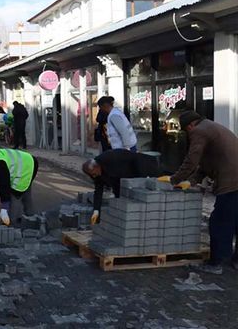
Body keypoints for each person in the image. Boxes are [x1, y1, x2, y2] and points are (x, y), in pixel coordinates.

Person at [159, 111, 238, 275]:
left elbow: (192, 160)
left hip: (231, 181)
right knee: (236, 220)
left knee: (220, 222)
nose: (188, 134)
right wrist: (190, 181)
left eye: (186, 131)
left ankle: (217, 262)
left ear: (190, 126)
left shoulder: (199, 131)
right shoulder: (210, 127)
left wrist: (175, 179)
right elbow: (204, 164)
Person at [82, 149, 161, 225]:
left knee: (138, 198)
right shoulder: (95, 172)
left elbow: (135, 159)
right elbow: (98, 191)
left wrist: (142, 179)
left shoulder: (111, 158)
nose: (94, 176)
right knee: (121, 201)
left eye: (94, 173)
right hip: (121, 181)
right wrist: (96, 211)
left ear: (97, 167)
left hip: (140, 168)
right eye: (92, 175)